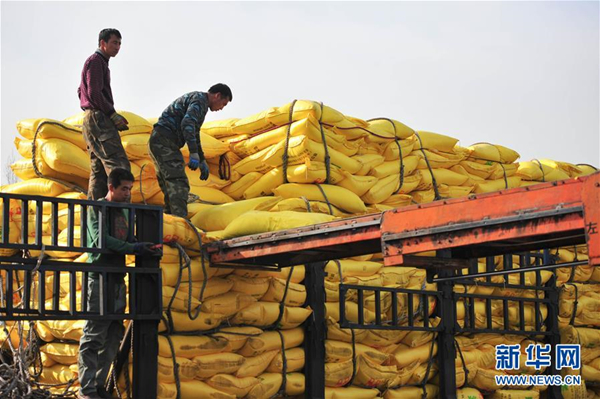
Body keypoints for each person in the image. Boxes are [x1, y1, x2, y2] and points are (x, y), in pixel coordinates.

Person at [78, 168, 158, 399]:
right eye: (124, 188)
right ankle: (87, 390)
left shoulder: (124, 210)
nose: (128, 193)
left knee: (113, 334)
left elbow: (126, 238)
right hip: (100, 277)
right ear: (111, 188)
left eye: (130, 189)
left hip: (117, 279)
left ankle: (99, 385)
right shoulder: (97, 208)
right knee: (94, 335)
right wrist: (133, 248)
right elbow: (101, 239)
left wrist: (143, 245)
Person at [148, 84, 232, 218]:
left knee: (169, 185)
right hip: (165, 141)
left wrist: (201, 158)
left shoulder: (199, 100)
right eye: (223, 104)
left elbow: (195, 132)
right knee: (178, 182)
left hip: (159, 141)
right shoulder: (200, 101)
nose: (221, 108)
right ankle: (180, 221)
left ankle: (170, 221)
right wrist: (193, 153)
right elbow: (187, 124)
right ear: (217, 96)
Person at [78, 28, 131, 201]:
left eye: (120, 43)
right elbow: (93, 92)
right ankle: (120, 213)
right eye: (114, 42)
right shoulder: (96, 61)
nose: (118, 47)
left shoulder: (99, 63)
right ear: (103, 43)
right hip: (99, 117)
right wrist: (110, 114)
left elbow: (81, 91)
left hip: (91, 118)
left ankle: (94, 215)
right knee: (119, 165)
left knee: (99, 171)